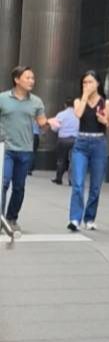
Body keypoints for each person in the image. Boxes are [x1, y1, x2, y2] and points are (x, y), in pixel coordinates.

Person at [0, 67, 50, 238]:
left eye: (33, 78)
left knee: (19, 187)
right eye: (28, 77)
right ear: (17, 79)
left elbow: (42, 124)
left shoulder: (36, 102)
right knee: (3, 183)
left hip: (26, 150)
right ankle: (1, 219)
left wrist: (49, 124)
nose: (32, 81)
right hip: (6, 149)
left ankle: (12, 218)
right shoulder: (2, 98)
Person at [68, 70, 109, 232]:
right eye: (84, 82)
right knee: (78, 183)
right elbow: (78, 114)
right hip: (81, 143)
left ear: (98, 84)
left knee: (95, 186)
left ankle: (89, 218)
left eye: (90, 82)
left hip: (99, 144)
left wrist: (105, 121)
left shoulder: (106, 103)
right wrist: (84, 96)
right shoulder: (78, 100)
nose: (87, 85)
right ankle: (75, 219)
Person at [52, 99, 79, 184]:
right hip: (75, 140)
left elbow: (54, 128)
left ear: (65, 105)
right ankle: (71, 180)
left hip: (63, 140)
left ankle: (59, 178)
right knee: (73, 160)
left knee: (61, 159)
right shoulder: (78, 115)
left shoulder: (61, 114)